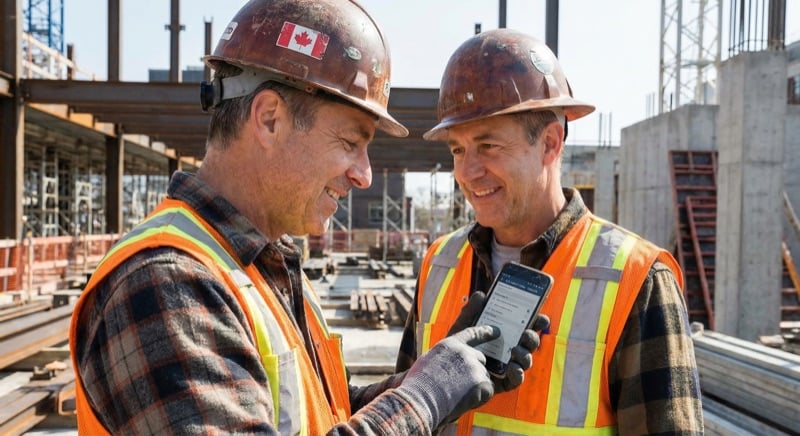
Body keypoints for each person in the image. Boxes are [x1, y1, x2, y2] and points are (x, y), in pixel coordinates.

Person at [68, 2, 544, 434]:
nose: (364, 175)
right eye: (350, 142)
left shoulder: (261, 265)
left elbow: (328, 414)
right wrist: (426, 395)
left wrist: (439, 374)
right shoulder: (166, 283)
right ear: (269, 119)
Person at [395, 28, 704, 435]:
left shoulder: (636, 279)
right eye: (458, 149)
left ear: (550, 144)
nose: (467, 172)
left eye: (488, 146)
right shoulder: (440, 263)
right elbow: (403, 414)